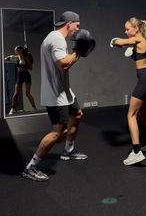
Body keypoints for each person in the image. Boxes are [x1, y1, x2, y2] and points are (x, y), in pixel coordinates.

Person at [22, 11, 88, 182]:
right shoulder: (57, 39)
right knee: (58, 132)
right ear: (69, 23)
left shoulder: (54, 37)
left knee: (78, 115)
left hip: (64, 91)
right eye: (77, 25)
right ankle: (31, 167)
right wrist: (78, 51)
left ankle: (69, 150)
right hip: (55, 93)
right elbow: (63, 64)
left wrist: (76, 51)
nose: (78, 29)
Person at [110, 17, 146, 166]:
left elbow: (118, 41)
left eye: (128, 29)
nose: (126, 31)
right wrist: (131, 50)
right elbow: (139, 52)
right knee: (144, 114)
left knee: (131, 114)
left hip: (145, 80)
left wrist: (115, 41)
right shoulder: (145, 41)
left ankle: (136, 152)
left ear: (136, 29)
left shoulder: (138, 39)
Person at [5, 46, 36, 115]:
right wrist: (7, 58)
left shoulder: (27, 57)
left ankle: (34, 107)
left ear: (21, 50)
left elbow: (30, 68)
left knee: (27, 93)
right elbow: (10, 57)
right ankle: (13, 108)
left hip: (26, 75)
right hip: (20, 75)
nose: (16, 52)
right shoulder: (17, 57)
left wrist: (25, 64)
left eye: (17, 51)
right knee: (16, 93)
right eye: (15, 51)